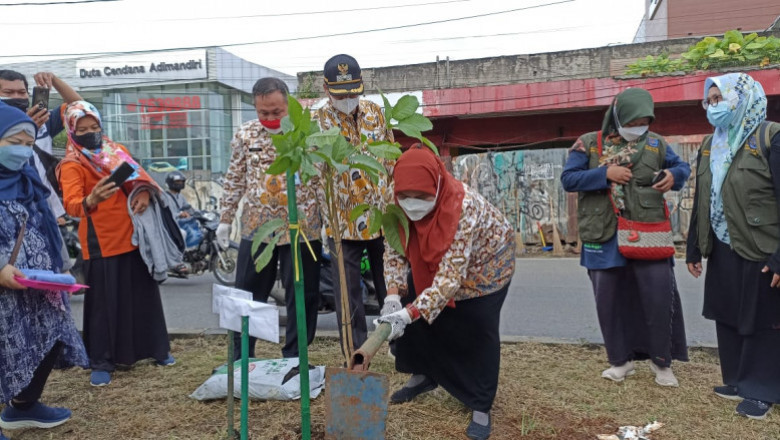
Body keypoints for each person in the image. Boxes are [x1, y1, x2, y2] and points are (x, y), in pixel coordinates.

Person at [376, 146, 515, 440]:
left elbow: (450, 279)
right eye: (406, 196)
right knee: (417, 310)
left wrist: (407, 314)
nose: (412, 204)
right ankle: (423, 375)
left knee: (477, 327)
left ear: (437, 186)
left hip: (486, 266)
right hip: (429, 259)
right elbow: (394, 248)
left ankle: (480, 403)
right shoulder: (392, 197)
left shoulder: (464, 207)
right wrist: (392, 298)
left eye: (422, 196)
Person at [560, 87, 690, 387]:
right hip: (603, 233)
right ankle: (620, 361)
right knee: (609, 300)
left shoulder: (656, 144)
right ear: (618, 116)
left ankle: (662, 363)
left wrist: (674, 176)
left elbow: (681, 167)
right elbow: (568, 179)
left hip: (648, 232)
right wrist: (604, 174)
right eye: (633, 122)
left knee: (658, 297)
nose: (638, 128)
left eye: (644, 122)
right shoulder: (588, 144)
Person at [56, 101, 174, 387]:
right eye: (82, 129)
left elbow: (139, 179)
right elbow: (71, 205)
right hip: (102, 243)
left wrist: (143, 193)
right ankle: (101, 361)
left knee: (144, 298)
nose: (90, 133)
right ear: (71, 132)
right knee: (103, 306)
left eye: (94, 126)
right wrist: (91, 199)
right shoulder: (71, 164)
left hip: (134, 237)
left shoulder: (114, 150)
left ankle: (157, 350)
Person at [686, 73, 780, 420]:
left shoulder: (770, 136)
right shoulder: (711, 144)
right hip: (723, 243)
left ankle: (763, 389)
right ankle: (739, 380)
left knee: (763, 318)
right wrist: (694, 246)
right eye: (709, 101)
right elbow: (703, 198)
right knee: (727, 312)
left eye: (720, 99)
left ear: (742, 98)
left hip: (762, 245)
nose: (713, 107)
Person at [217, 77, 323, 359]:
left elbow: (322, 179)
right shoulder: (245, 135)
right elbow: (235, 179)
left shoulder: (307, 134)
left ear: (288, 105)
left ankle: (296, 358)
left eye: (277, 112)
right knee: (247, 294)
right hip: (258, 228)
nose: (270, 118)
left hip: (302, 228)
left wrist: (329, 221)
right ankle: (242, 358)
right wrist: (225, 218)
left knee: (302, 295)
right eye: (263, 112)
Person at [0, 103, 88, 440]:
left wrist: (57, 267)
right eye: (14, 142)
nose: (23, 150)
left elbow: (44, 222)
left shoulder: (25, 178)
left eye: (28, 143)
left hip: (36, 284)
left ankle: (24, 405)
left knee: (52, 335)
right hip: (5, 286)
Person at [314, 54, 393, 351]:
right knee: (348, 295)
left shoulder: (376, 113)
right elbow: (313, 176)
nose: (348, 99)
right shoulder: (317, 122)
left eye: (352, 92)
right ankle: (355, 353)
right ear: (326, 89)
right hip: (342, 223)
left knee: (392, 286)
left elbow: (390, 157)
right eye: (340, 94)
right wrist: (321, 219)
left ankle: (401, 349)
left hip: (381, 216)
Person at [0, 70, 82, 225]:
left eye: (22, 92)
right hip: (11, 213)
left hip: (48, 212)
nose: (17, 97)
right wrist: (25, 131)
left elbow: (80, 107)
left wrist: (54, 80)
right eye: (8, 93)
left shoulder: (44, 122)